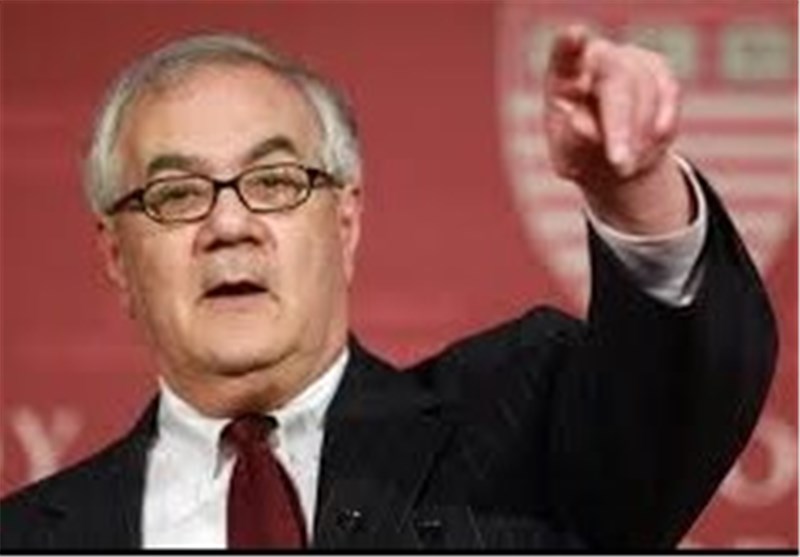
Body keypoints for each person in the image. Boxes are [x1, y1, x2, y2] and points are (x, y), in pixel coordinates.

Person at [0, 25, 776, 550]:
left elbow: (677, 392)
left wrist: (632, 189)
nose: (229, 225)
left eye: (274, 181)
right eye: (176, 194)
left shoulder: (523, 432)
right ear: (115, 255)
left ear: (344, 222)